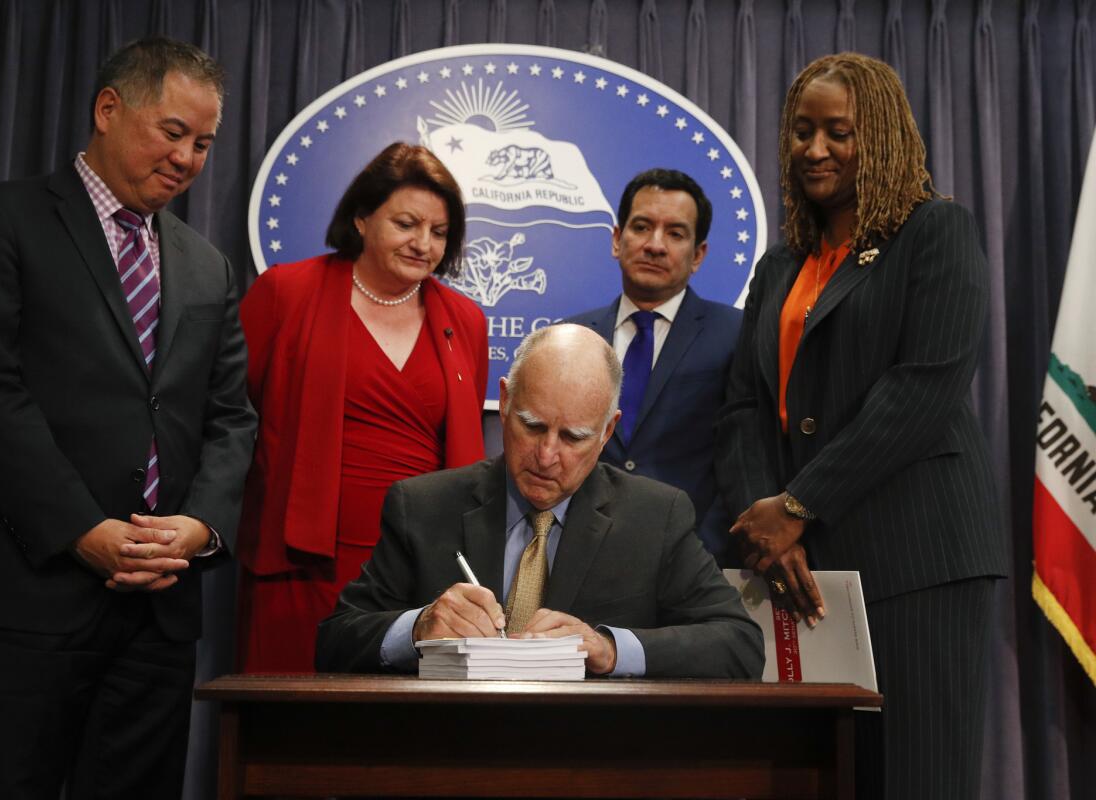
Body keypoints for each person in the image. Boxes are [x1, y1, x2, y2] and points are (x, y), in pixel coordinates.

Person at [0, 38, 256, 798]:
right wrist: (84, 530)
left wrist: (200, 528)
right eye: (173, 131)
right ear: (109, 109)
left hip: (160, 611)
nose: (188, 158)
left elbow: (231, 417)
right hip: (27, 595)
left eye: (204, 144)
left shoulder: (208, 265)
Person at [714, 53, 1007, 799]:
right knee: (818, 776)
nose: (814, 149)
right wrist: (763, 523)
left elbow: (922, 389)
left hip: (918, 558)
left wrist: (801, 503)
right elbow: (746, 405)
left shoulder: (934, 231)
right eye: (802, 131)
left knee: (915, 774)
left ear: (877, 137)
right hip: (797, 566)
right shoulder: (782, 265)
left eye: (838, 132)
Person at [317, 324, 763, 678]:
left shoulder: (656, 517)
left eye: (574, 437)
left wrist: (610, 649)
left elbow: (739, 644)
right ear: (506, 401)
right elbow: (334, 641)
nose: (547, 456)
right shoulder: (424, 506)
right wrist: (416, 628)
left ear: (608, 431)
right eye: (532, 426)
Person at [236, 142, 488, 673]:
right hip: (300, 563)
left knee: (389, 744)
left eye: (439, 232)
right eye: (406, 224)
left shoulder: (466, 320)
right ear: (361, 218)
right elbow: (231, 420)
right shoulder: (285, 292)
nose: (423, 243)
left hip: (416, 571)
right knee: (287, 732)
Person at [567, 168, 741, 564]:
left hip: (694, 558)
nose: (655, 245)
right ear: (616, 239)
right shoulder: (573, 335)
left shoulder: (736, 335)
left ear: (698, 256)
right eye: (642, 227)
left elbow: (743, 457)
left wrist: (703, 553)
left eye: (676, 234)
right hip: (581, 556)